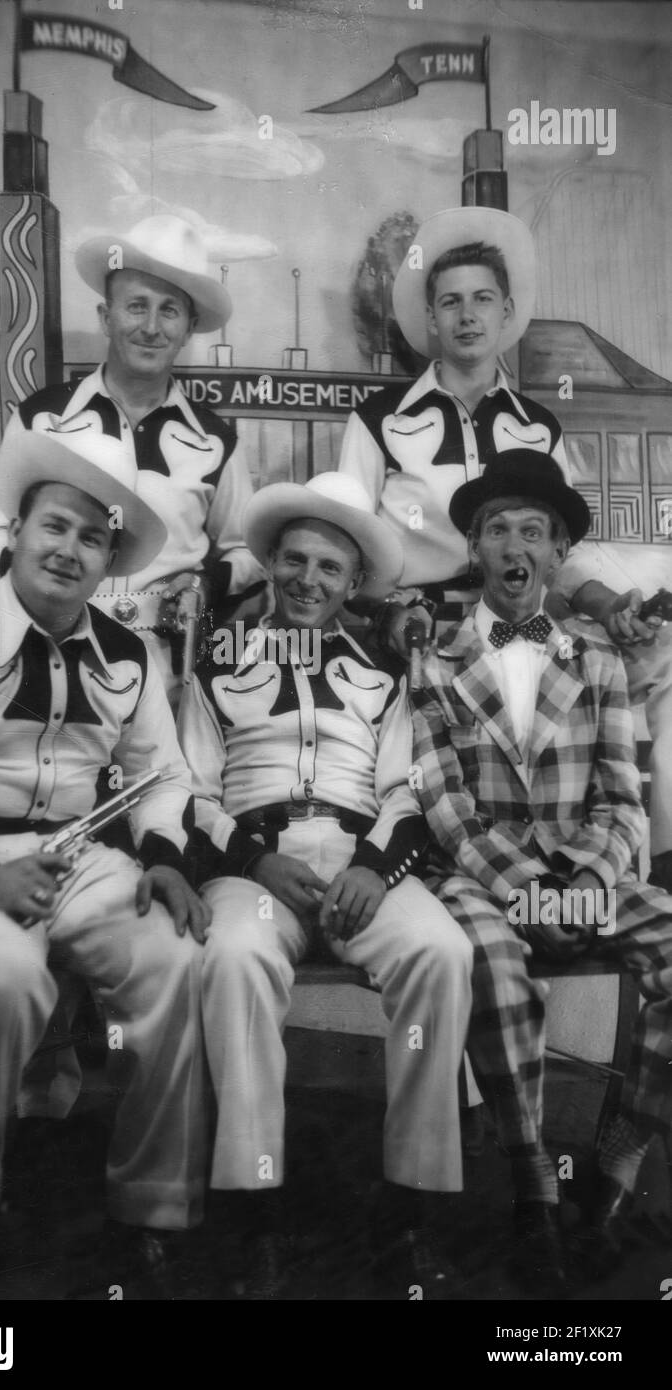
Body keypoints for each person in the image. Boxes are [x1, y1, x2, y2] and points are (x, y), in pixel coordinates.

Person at [0, 426, 210, 1292]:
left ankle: (150, 1204)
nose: (69, 549)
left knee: (172, 959)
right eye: (54, 525)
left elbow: (163, 776)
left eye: (93, 538)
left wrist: (164, 855)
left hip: (77, 856)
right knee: (1, 974)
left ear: (109, 561)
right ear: (16, 531)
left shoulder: (130, 653)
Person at [178, 471, 473, 1298]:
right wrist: (253, 861)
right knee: (235, 957)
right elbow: (189, 792)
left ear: (353, 584)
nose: (308, 580)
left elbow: (407, 789)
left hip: (359, 860)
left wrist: (375, 869)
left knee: (442, 952)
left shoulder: (384, 672)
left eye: (330, 568)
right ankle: (257, 1212)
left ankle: (410, 1207)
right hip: (255, 863)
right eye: (295, 560)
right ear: (271, 563)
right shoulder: (215, 664)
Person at [338, 205, 672, 889]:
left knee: (653, 667)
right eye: (450, 302)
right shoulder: (380, 422)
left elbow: (564, 551)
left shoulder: (538, 427)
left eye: (483, 299)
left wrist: (609, 607)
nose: (468, 316)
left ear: (507, 312)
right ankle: (477, 886)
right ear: (430, 318)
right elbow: (345, 550)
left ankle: (635, 870)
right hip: (420, 633)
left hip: (526, 623)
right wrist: (391, 610)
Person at [410, 449, 672, 1295]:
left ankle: (619, 1159)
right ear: (475, 550)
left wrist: (586, 885)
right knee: (491, 959)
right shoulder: (436, 657)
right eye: (497, 529)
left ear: (559, 555)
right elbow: (444, 803)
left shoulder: (597, 656)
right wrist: (525, 889)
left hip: (587, 870)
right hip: (483, 873)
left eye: (534, 531)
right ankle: (533, 1184)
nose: (514, 545)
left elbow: (623, 797)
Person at [0, 213, 265, 706]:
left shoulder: (215, 440)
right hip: (46, 659)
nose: (151, 327)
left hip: (166, 676)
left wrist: (204, 584)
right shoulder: (42, 418)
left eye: (169, 311)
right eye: (136, 306)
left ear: (189, 328)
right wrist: (39, 591)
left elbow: (249, 553)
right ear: (106, 316)